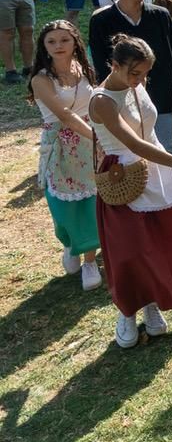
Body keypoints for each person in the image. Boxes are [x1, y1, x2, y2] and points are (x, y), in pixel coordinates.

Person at [88, 34, 172, 348]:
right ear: (113, 65)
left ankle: (151, 303)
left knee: (160, 243)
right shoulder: (101, 100)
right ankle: (127, 312)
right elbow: (133, 143)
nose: (140, 80)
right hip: (125, 177)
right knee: (130, 250)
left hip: (156, 171)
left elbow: (150, 135)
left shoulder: (137, 85)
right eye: (134, 73)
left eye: (145, 73)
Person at [88, 0, 172, 156]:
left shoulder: (160, 15)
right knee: (131, 151)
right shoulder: (101, 19)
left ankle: (171, 186)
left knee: (166, 147)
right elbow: (101, 61)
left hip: (160, 90)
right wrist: (110, 92)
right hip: (122, 95)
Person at [28, 20, 101, 290]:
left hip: (88, 142)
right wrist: (96, 137)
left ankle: (91, 260)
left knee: (92, 200)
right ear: (44, 47)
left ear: (74, 43)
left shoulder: (83, 69)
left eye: (64, 40)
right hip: (61, 144)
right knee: (63, 204)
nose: (58, 46)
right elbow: (65, 115)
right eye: (51, 41)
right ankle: (71, 243)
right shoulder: (41, 79)